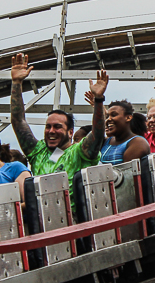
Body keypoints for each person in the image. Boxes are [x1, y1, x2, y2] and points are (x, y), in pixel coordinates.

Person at [9, 53, 105, 203]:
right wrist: (16, 82)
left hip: (73, 221)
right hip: (41, 221)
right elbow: (18, 121)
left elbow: (98, 134)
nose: (51, 131)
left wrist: (99, 100)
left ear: (70, 132)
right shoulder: (38, 151)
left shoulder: (79, 152)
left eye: (57, 127)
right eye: (48, 127)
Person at [100, 100, 150, 165]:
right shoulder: (105, 141)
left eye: (114, 115)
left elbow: (126, 173)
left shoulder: (138, 142)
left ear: (128, 118)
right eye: (107, 117)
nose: (109, 119)